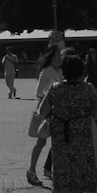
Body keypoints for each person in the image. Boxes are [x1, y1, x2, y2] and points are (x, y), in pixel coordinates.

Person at [38, 54, 97, 193]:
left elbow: (42, 111)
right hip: (81, 136)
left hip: (60, 135)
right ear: (82, 71)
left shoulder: (55, 88)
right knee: (79, 173)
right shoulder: (87, 88)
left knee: (59, 171)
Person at [27, 44, 62, 185]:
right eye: (58, 54)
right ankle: (31, 170)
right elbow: (38, 92)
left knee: (57, 142)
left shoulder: (59, 71)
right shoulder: (46, 71)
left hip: (58, 110)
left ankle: (51, 170)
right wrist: (51, 96)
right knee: (41, 142)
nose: (60, 57)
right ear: (52, 56)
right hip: (47, 110)